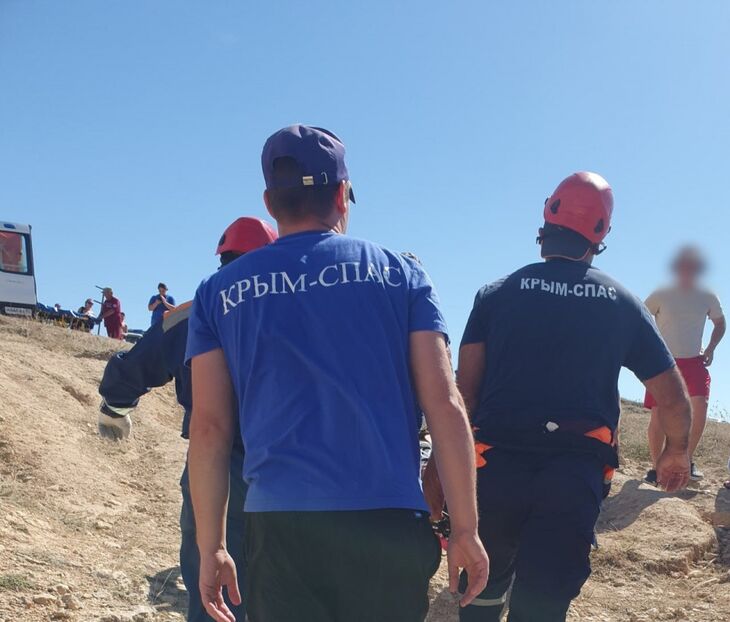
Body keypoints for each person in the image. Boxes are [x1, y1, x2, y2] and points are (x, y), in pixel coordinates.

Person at [185, 124, 489, 622]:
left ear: (269, 201)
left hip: (280, 524)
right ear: (342, 193)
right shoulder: (402, 274)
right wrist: (466, 530)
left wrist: (212, 546)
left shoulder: (218, 293)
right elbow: (444, 404)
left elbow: (209, 428)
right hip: (387, 519)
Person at [440, 172, 691, 622]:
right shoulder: (623, 304)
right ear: (601, 232)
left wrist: (442, 468)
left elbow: (465, 395)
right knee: (543, 603)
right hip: (574, 476)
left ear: (547, 217)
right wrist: (675, 452)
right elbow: (672, 398)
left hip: (493, 467)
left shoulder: (496, 294)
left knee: (481, 590)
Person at [97, 216, 277, 622]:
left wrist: (114, 410)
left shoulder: (194, 311)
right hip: (289, 464)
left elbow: (135, 367)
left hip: (213, 467)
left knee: (215, 590)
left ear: (222, 258)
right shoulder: (294, 308)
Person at [644, 246, 726, 483]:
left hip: (694, 361)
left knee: (700, 407)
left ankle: (685, 463)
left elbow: (720, 323)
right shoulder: (661, 294)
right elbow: (641, 317)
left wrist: (710, 348)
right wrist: (650, 348)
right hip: (664, 362)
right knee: (659, 415)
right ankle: (656, 468)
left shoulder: (708, 295)